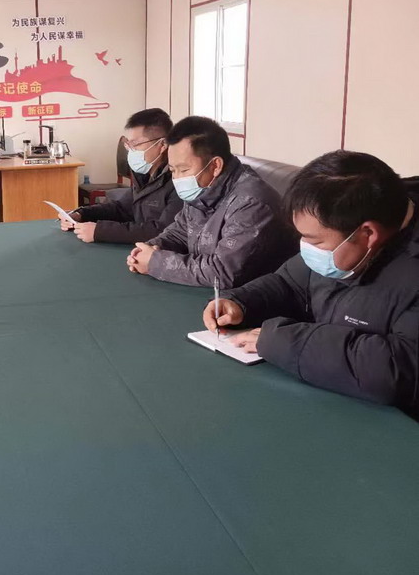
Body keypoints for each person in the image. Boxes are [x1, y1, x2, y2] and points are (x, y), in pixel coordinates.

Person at [203, 150, 419, 414]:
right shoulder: (345, 238)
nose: (305, 247)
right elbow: (289, 283)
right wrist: (241, 302)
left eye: (314, 240)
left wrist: (284, 342)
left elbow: (401, 369)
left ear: (368, 234)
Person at [127, 116, 296, 288]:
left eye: (184, 170)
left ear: (215, 166)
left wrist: (155, 262)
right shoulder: (202, 188)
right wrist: (150, 248)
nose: (177, 178)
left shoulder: (252, 203)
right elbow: (180, 232)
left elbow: (223, 272)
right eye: (172, 170)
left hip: (247, 298)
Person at [62, 108, 182, 244]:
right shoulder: (144, 175)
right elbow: (122, 208)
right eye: (129, 144)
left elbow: (163, 231)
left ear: (163, 144)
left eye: (136, 144)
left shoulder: (179, 181)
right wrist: (82, 214)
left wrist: (100, 231)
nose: (131, 151)